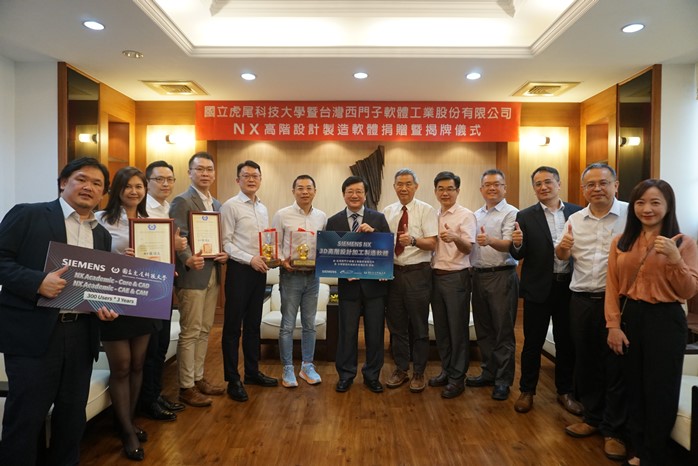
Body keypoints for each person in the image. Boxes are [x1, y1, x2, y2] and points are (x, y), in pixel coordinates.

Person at [0, 157, 118, 466]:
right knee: (25, 418)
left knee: (71, 418)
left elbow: (94, 287)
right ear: (64, 182)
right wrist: (37, 282)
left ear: (103, 193)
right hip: (34, 335)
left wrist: (103, 306)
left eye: (97, 184)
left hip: (81, 334)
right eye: (81, 179)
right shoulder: (29, 214)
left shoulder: (101, 235)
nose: (88, 187)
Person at [606, 179, 698, 466]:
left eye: (655, 202)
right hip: (631, 315)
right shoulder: (621, 242)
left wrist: (674, 258)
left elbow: (688, 291)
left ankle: (654, 453)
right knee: (633, 386)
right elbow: (612, 287)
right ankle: (638, 448)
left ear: (668, 206)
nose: (647, 209)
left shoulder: (683, 242)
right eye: (641, 202)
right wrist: (613, 326)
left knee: (661, 389)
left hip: (666, 319)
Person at [555, 162, 628, 461]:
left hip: (620, 302)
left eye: (603, 183)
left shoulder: (631, 216)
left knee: (616, 365)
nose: (597, 189)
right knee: (585, 361)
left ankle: (615, 430)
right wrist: (562, 248)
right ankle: (592, 418)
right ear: (583, 189)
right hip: (581, 299)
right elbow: (562, 256)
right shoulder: (575, 219)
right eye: (590, 184)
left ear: (615, 185)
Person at [96, 166, 164, 461]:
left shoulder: (152, 222)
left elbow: (161, 262)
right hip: (114, 299)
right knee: (121, 365)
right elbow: (94, 258)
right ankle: (125, 430)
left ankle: (127, 420)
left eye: (139, 186)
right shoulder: (101, 220)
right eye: (128, 186)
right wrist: (119, 259)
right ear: (116, 190)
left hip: (144, 300)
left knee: (138, 364)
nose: (134, 191)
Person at [509, 166, 583, 415]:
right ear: (534, 188)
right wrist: (516, 244)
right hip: (538, 287)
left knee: (566, 342)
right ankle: (527, 391)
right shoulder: (525, 215)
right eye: (538, 183)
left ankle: (565, 391)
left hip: (569, 287)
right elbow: (518, 253)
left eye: (548, 182)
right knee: (532, 342)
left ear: (558, 184)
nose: (543, 187)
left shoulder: (577, 213)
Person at [170, 152, 229, 408]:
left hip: (212, 273)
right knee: (191, 331)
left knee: (205, 329)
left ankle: (198, 378)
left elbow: (216, 238)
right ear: (190, 172)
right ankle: (186, 386)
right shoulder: (182, 201)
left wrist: (223, 253)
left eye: (209, 169)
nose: (205, 173)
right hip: (192, 275)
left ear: (214, 174)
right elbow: (177, 236)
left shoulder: (216, 204)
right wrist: (187, 259)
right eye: (200, 169)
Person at [220, 160, 278, 402]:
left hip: (259, 270)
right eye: (246, 176)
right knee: (233, 327)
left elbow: (264, 241)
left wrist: (269, 257)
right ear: (238, 180)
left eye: (255, 176)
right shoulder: (230, 206)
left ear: (260, 179)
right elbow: (225, 243)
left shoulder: (262, 208)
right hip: (239, 271)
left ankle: (252, 372)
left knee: (254, 325)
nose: (251, 179)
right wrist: (250, 259)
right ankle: (233, 379)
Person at [326, 176, 391, 393]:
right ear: (343, 194)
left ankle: (372, 375)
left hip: (375, 288)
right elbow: (329, 255)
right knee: (347, 333)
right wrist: (343, 271)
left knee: (375, 334)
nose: (354, 195)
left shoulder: (378, 218)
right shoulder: (333, 221)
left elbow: (387, 249)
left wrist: (375, 234)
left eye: (359, 192)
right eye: (350, 192)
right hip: (348, 288)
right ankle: (346, 375)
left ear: (365, 195)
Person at [140, 160, 187, 421]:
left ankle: (155, 394)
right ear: (148, 182)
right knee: (150, 347)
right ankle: (147, 400)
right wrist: (174, 244)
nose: (165, 183)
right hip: (146, 288)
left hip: (165, 283)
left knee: (160, 344)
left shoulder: (169, 208)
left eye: (170, 179)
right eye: (159, 179)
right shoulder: (141, 210)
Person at [383, 168, 438, 393]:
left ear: (416, 186)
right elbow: (382, 242)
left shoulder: (426, 210)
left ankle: (419, 372)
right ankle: (401, 369)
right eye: (399, 184)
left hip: (418, 274)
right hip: (393, 274)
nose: (403, 188)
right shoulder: (387, 211)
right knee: (396, 326)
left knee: (419, 326)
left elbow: (433, 243)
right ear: (394, 187)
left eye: (408, 184)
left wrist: (413, 240)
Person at [467, 169, 518, 401]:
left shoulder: (512, 213)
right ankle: (488, 372)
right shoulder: (475, 214)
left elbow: (510, 244)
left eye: (497, 184)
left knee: (502, 331)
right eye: (487, 185)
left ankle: (503, 380)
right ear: (481, 189)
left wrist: (489, 241)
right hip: (477, 276)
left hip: (502, 275)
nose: (492, 188)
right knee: (484, 329)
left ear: (504, 188)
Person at [271, 175, 327, 388]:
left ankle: (307, 366)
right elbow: (274, 243)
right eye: (300, 188)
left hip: (313, 277)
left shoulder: (321, 217)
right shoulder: (282, 215)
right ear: (293, 191)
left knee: (309, 324)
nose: (305, 192)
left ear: (315, 191)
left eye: (309, 188)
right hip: (290, 276)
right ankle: (287, 368)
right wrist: (281, 260)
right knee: (287, 324)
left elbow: (325, 244)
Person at [429, 171, 476, 399]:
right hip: (434, 276)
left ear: (458, 191)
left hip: (456, 277)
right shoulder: (433, 214)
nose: (445, 193)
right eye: (441, 189)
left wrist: (455, 237)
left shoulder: (465, 215)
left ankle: (458, 377)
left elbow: (468, 249)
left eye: (450, 189)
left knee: (457, 329)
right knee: (442, 329)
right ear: (435, 191)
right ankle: (446, 370)